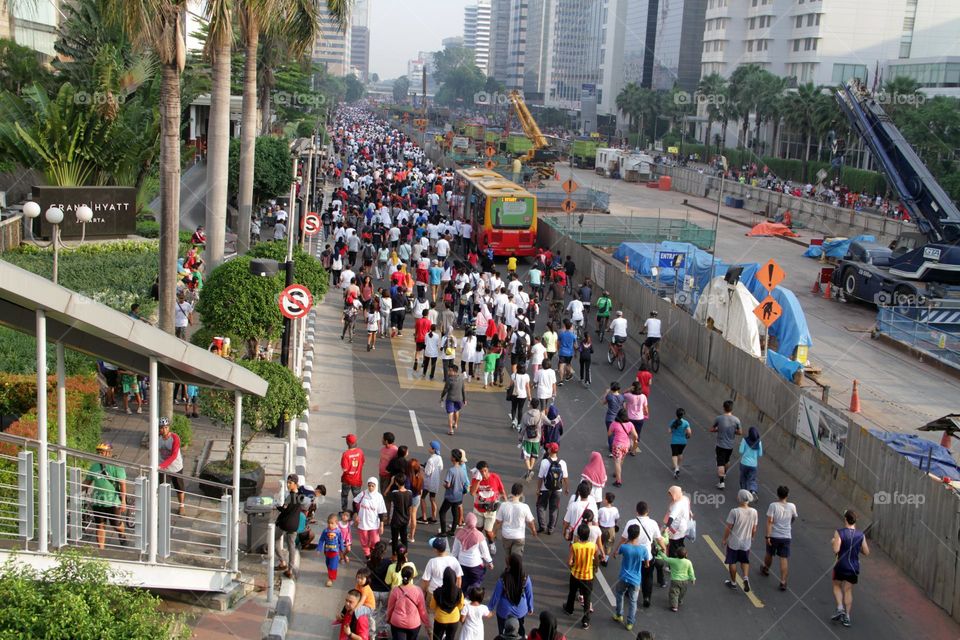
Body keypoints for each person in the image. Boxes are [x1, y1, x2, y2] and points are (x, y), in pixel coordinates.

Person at [615, 501, 665, 606]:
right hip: (647, 555)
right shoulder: (653, 523)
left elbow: (623, 539)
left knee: (631, 572)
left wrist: (616, 549)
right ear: (648, 511)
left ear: (636, 511)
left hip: (632, 555)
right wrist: (664, 548)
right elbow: (659, 538)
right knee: (648, 576)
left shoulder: (631, 522)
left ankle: (629, 591)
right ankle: (647, 597)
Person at [82, 442, 127, 550]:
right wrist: (76, 491)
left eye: (101, 452)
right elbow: (87, 482)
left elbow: (122, 484)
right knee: (100, 525)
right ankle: (101, 549)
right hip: (98, 501)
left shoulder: (117, 467)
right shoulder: (94, 467)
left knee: (116, 524)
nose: (99, 454)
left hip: (113, 501)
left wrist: (123, 501)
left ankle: (122, 533)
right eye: (98, 452)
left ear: (108, 453)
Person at [831, 510, 869, 628]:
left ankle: (840, 608)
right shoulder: (860, 535)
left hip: (840, 565)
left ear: (846, 519)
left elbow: (836, 550)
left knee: (836, 585)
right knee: (848, 590)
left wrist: (833, 542)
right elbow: (866, 552)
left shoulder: (839, 532)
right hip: (853, 567)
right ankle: (847, 617)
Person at [611, 524, 650, 631]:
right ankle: (630, 623)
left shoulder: (624, 547)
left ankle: (619, 614)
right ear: (638, 535)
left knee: (619, 594)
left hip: (624, 577)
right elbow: (647, 564)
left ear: (628, 534)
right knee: (633, 601)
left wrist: (617, 552)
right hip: (636, 580)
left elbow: (615, 554)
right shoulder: (643, 549)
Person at [761, 485, 798, 591]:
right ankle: (783, 581)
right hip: (786, 536)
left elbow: (769, 522)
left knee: (769, 553)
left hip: (774, 535)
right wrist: (788, 525)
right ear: (788, 495)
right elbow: (793, 518)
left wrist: (768, 535)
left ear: (778, 494)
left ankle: (766, 569)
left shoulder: (773, 506)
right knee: (784, 558)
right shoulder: (792, 506)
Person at [722, 490, 759, 593]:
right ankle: (746, 578)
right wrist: (752, 537)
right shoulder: (754, 512)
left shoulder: (734, 511)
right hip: (746, 542)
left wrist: (724, 539)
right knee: (744, 560)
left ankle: (733, 583)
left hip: (734, 542)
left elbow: (728, 528)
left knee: (732, 561)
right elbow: (754, 528)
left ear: (739, 498)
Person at [488, 554, 534, 636]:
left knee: (502, 633)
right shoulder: (525, 578)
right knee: (520, 631)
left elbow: (496, 596)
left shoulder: (503, 579)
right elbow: (529, 593)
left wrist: (489, 609)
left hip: (504, 612)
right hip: (520, 611)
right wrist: (530, 607)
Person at [563, 524, 599, 629]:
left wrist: (572, 566)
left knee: (572, 592)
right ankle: (585, 621)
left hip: (576, 575)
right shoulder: (593, 546)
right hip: (588, 577)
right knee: (587, 599)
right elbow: (596, 560)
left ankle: (569, 609)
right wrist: (595, 567)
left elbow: (569, 562)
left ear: (578, 535)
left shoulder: (574, 546)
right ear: (588, 535)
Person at [470, 461, 507, 552]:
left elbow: (502, 491)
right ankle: (478, 545)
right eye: (481, 472)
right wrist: (478, 480)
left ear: (488, 469)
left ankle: (491, 543)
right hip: (478, 509)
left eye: (485, 471)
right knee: (478, 529)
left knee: (488, 531)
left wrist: (506, 504)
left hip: (491, 510)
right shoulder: (476, 479)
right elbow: (472, 493)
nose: (484, 474)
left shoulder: (495, 477)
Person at [452, 512, 494, 592]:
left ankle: (463, 599)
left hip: (462, 564)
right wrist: (490, 562)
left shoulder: (459, 533)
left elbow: (454, 552)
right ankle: (472, 597)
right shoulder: (479, 535)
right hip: (476, 565)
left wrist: (453, 564)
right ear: (475, 522)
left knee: (463, 584)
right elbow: (485, 552)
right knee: (475, 584)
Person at [494, 483, 537, 558]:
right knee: (518, 556)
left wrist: (494, 532)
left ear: (511, 492)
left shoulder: (503, 505)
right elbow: (530, 522)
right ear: (521, 494)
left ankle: (508, 568)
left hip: (506, 535)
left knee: (507, 555)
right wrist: (533, 531)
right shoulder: (525, 507)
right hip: (519, 536)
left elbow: (498, 522)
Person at [387, 565, 430, 640]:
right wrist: (427, 624)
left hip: (397, 622)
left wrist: (388, 618)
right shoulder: (418, 591)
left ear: (401, 575)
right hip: (413, 624)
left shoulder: (395, 590)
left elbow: (390, 607)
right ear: (412, 577)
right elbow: (422, 610)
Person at [536, 442, 568, 534]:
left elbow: (540, 477)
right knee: (554, 508)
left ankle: (542, 526)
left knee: (541, 506)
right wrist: (566, 488)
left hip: (545, 488)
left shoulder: (544, 462)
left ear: (550, 450)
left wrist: (538, 489)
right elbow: (565, 477)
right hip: (558, 489)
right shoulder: (562, 462)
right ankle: (551, 528)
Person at [710, 400, 742, 490]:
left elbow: (712, 429)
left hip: (720, 444)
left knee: (720, 463)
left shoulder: (719, 418)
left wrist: (718, 429)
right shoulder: (736, 420)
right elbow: (740, 432)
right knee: (727, 461)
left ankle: (721, 482)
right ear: (732, 409)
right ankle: (724, 473)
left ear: (724, 408)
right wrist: (733, 431)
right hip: (730, 446)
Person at [354, 477, 387, 559]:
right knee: (364, 540)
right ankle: (367, 555)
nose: (371, 488)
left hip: (374, 524)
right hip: (363, 522)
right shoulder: (363, 494)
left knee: (375, 541)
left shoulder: (379, 497)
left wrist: (381, 525)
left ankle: (373, 551)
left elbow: (381, 512)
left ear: (376, 486)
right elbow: (354, 502)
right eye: (369, 485)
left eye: (373, 486)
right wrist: (355, 514)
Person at [657, 543, 696, 612]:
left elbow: (665, 558)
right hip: (685, 580)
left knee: (674, 592)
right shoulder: (688, 562)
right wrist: (692, 578)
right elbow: (691, 571)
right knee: (682, 592)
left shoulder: (673, 560)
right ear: (686, 555)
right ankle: (679, 600)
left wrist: (660, 552)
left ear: (676, 554)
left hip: (675, 580)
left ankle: (674, 606)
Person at [158, 417, 185, 514]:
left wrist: (161, 465)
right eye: (162, 428)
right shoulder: (158, 438)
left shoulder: (175, 438)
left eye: (166, 427)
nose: (164, 430)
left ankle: (181, 505)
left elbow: (174, 455)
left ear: (169, 427)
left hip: (175, 467)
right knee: (163, 488)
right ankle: (164, 507)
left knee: (179, 487)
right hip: (163, 469)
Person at [439, 449, 468, 537]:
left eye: (452, 456)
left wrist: (444, 485)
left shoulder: (451, 470)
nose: (450, 457)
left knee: (442, 512)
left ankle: (443, 532)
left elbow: (448, 484)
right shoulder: (462, 470)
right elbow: (464, 482)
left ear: (454, 458)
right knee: (455, 513)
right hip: (458, 496)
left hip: (450, 495)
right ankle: (452, 531)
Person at [430, 567, 464, 640]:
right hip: (454, 619)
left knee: (437, 638)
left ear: (444, 579)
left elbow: (432, 606)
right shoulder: (459, 592)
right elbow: (461, 606)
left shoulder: (437, 591)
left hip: (440, 618)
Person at [607, 409, 637, 487]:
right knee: (621, 459)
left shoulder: (614, 424)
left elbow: (609, 434)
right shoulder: (630, 424)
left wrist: (616, 432)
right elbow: (635, 436)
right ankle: (616, 472)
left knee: (617, 461)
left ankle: (618, 481)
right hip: (626, 445)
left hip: (617, 445)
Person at [663, 486, 692, 557]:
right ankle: (683, 558)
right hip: (684, 527)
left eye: (671, 494)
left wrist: (666, 527)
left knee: (673, 547)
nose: (670, 496)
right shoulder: (685, 499)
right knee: (680, 544)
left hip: (675, 529)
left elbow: (672, 516)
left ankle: (672, 566)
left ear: (675, 494)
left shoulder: (677, 504)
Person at [389, 472, 413, 553]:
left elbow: (385, 493)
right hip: (405, 519)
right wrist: (409, 519)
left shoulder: (395, 493)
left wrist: (391, 484)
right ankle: (404, 554)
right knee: (404, 538)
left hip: (396, 520)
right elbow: (410, 507)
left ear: (396, 482)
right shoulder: (409, 493)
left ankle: (394, 555)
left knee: (395, 539)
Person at [341, 434, 365, 512]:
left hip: (347, 479)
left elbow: (344, 469)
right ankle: (357, 512)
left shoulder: (346, 454)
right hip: (357, 479)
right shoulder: (360, 452)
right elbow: (363, 462)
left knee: (344, 495)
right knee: (357, 497)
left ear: (347, 443)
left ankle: (344, 511)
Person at [421, 441, 444, 524]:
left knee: (422, 498)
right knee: (432, 498)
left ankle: (424, 517)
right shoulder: (439, 458)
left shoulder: (430, 460)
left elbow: (427, 472)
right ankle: (434, 517)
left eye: (430, 447)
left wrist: (423, 468)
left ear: (433, 449)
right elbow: (440, 468)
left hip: (428, 483)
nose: (429, 448)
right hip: (435, 482)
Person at [440, 365, 467, 436]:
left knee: (450, 413)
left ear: (454, 372)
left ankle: (451, 430)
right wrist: (464, 399)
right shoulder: (461, 378)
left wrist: (442, 396)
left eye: (450, 370)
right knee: (457, 411)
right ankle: (456, 424)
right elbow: (463, 389)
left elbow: (445, 390)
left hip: (450, 399)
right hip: (459, 399)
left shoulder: (449, 380)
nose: (448, 372)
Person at [623, 381, 648, 454]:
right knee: (637, 434)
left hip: (630, 418)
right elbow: (646, 409)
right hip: (640, 418)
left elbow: (622, 394)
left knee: (627, 433)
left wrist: (629, 389)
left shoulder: (629, 395)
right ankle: (633, 450)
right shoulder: (643, 396)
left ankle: (627, 447)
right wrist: (645, 414)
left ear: (633, 388)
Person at [739, 427, 763, 501]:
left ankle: (744, 495)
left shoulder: (744, 440)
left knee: (743, 479)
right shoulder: (759, 442)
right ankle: (753, 491)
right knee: (752, 479)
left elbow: (740, 451)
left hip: (744, 463)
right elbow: (760, 454)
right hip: (753, 465)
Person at [668, 408, 692, 479]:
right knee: (680, 453)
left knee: (674, 454)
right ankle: (678, 466)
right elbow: (689, 432)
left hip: (674, 441)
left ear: (676, 414)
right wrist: (688, 436)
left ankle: (676, 468)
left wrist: (673, 432)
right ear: (683, 415)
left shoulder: (673, 422)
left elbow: (669, 431)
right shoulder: (686, 423)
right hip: (683, 441)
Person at [508, 364, 532, 430]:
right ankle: (519, 424)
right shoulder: (526, 376)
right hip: (523, 395)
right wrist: (529, 396)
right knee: (520, 409)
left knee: (513, 408)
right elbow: (527, 387)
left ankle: (513, 421)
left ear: (517, 368)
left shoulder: (514, 375)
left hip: (514, 394)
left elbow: (510, 385)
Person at [597, 492, 620, 561]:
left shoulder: (601, 510)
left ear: (606, 500)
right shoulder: (615, 509)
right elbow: (617, 518)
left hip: (602, 528)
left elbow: (597, 518)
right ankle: (605, 559)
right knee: (609, 544)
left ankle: (599, 556)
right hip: (611, 529)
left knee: (600, 542)